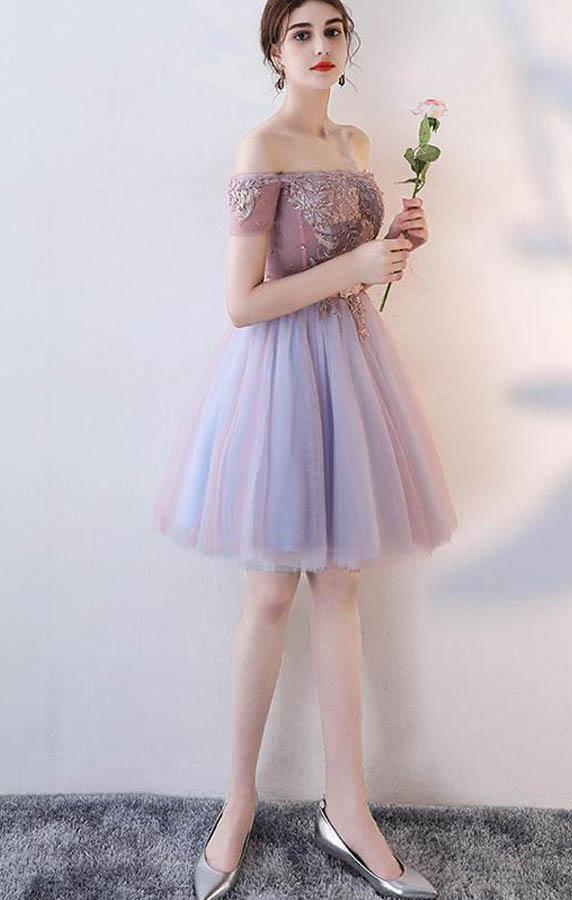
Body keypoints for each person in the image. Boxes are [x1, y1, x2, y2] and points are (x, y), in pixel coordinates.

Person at [152, 1, 458, 897]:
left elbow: (356, 271)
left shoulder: (358, 145)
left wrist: (393, 248)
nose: (321, 47)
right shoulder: (262, 147)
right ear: (274, 51)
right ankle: (238, 804)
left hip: (353, 372)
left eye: (332, 31)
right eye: (301, 34)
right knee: (269, 594)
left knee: (340, 590)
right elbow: (243, 303)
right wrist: (351, 269)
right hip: (280, 381)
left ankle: (347, 806)